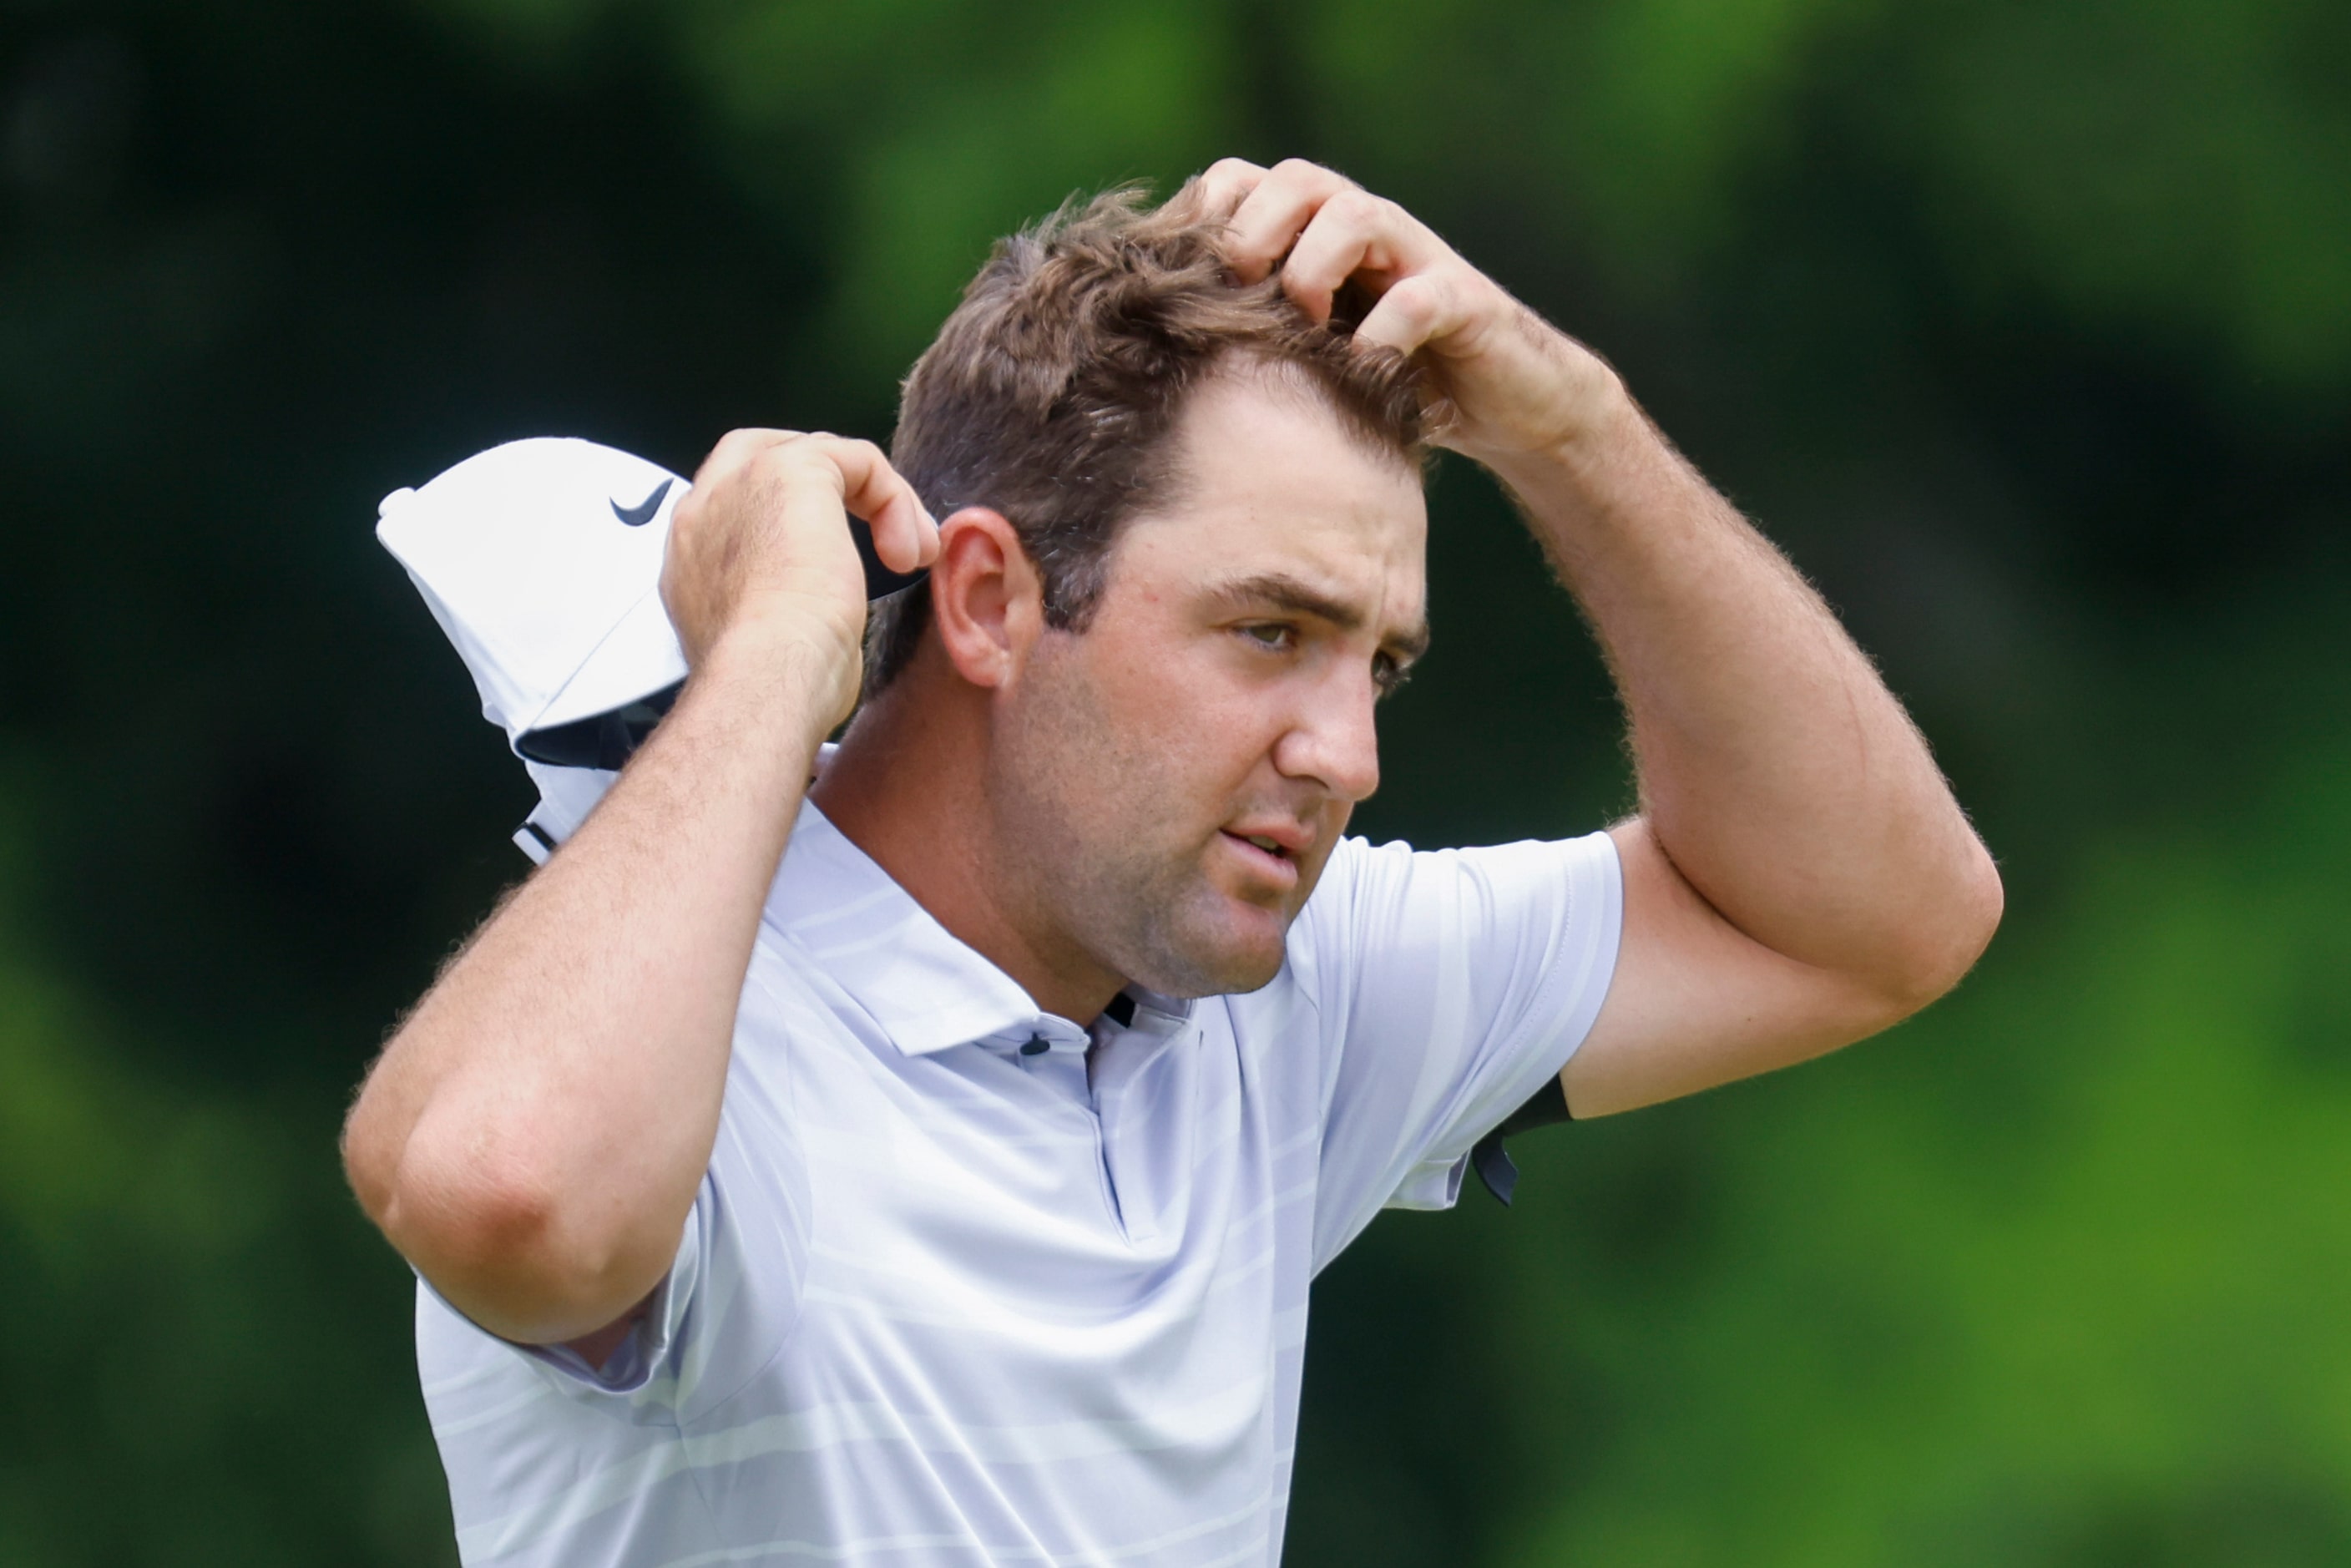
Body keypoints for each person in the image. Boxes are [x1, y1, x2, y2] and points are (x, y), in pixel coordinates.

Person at [341, 159, 2002, 1568]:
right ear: (986, 601)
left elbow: (1881, 921)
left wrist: (1568, 426)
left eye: (1378, 665)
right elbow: (510, 1195)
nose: (1346, 754)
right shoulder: (684, 1023)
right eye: (1266, 630)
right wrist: (775, 647)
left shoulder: (1278, 993)